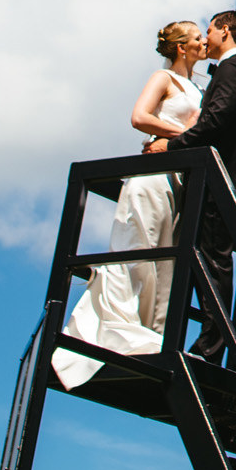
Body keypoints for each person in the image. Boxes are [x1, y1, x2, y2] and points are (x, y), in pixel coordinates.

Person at [52, 21, 207, 389]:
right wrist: (185, 135)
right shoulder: (163, 78)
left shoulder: (199, 88)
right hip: (153, 177)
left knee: (165, 261)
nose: (204, 42)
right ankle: (119, 330)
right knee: (138, 252)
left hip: (178, 182)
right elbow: (139, 117)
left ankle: (153, 336)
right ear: (182, 48)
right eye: (198, 37)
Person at [147, 8, 236, 364]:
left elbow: (215, 123)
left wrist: (171, 146)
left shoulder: (233, 68)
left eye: (209, 30)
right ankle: (205, 343)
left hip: (218, 179)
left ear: (225, 31)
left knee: (213, 261)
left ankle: (210, 349)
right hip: (213, 177)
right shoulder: (233, 70)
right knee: (202, 258)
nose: (206, 37)